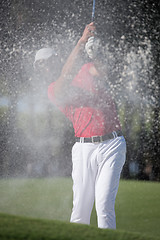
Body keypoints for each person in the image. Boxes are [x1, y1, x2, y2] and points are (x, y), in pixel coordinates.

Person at [39, 22, 126, 229]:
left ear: (56, 60)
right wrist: (80, 43)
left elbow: (104, 72)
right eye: (40, 65)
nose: (44, 67)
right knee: (80, 212)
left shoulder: (86, 70)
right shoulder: (53, 90)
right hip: (83, 148)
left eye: (46, 61)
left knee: (104, 206)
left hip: (112, 145)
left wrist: (94, 52)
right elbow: (66, 76)